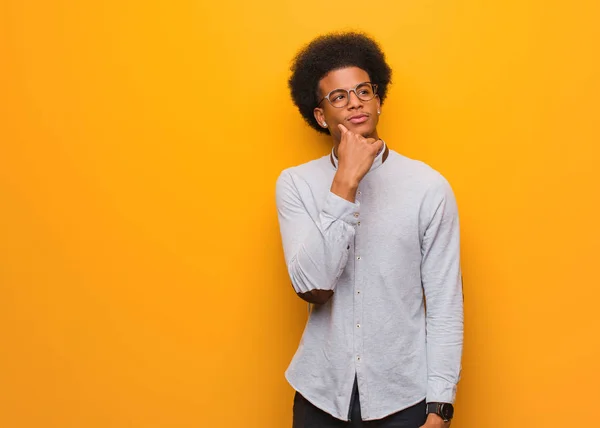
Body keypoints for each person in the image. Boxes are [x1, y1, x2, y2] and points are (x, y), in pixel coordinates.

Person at [275, 32, 464, 428]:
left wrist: (440, 405)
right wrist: (344, 183)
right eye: (339, 96)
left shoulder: (428, 187)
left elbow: (445, 305)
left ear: (378, 98)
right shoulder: (296, 184)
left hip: (405, 398)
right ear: (321, 115)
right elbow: (313, 286)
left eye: (364, 90)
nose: (356, 102)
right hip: (320, 396)